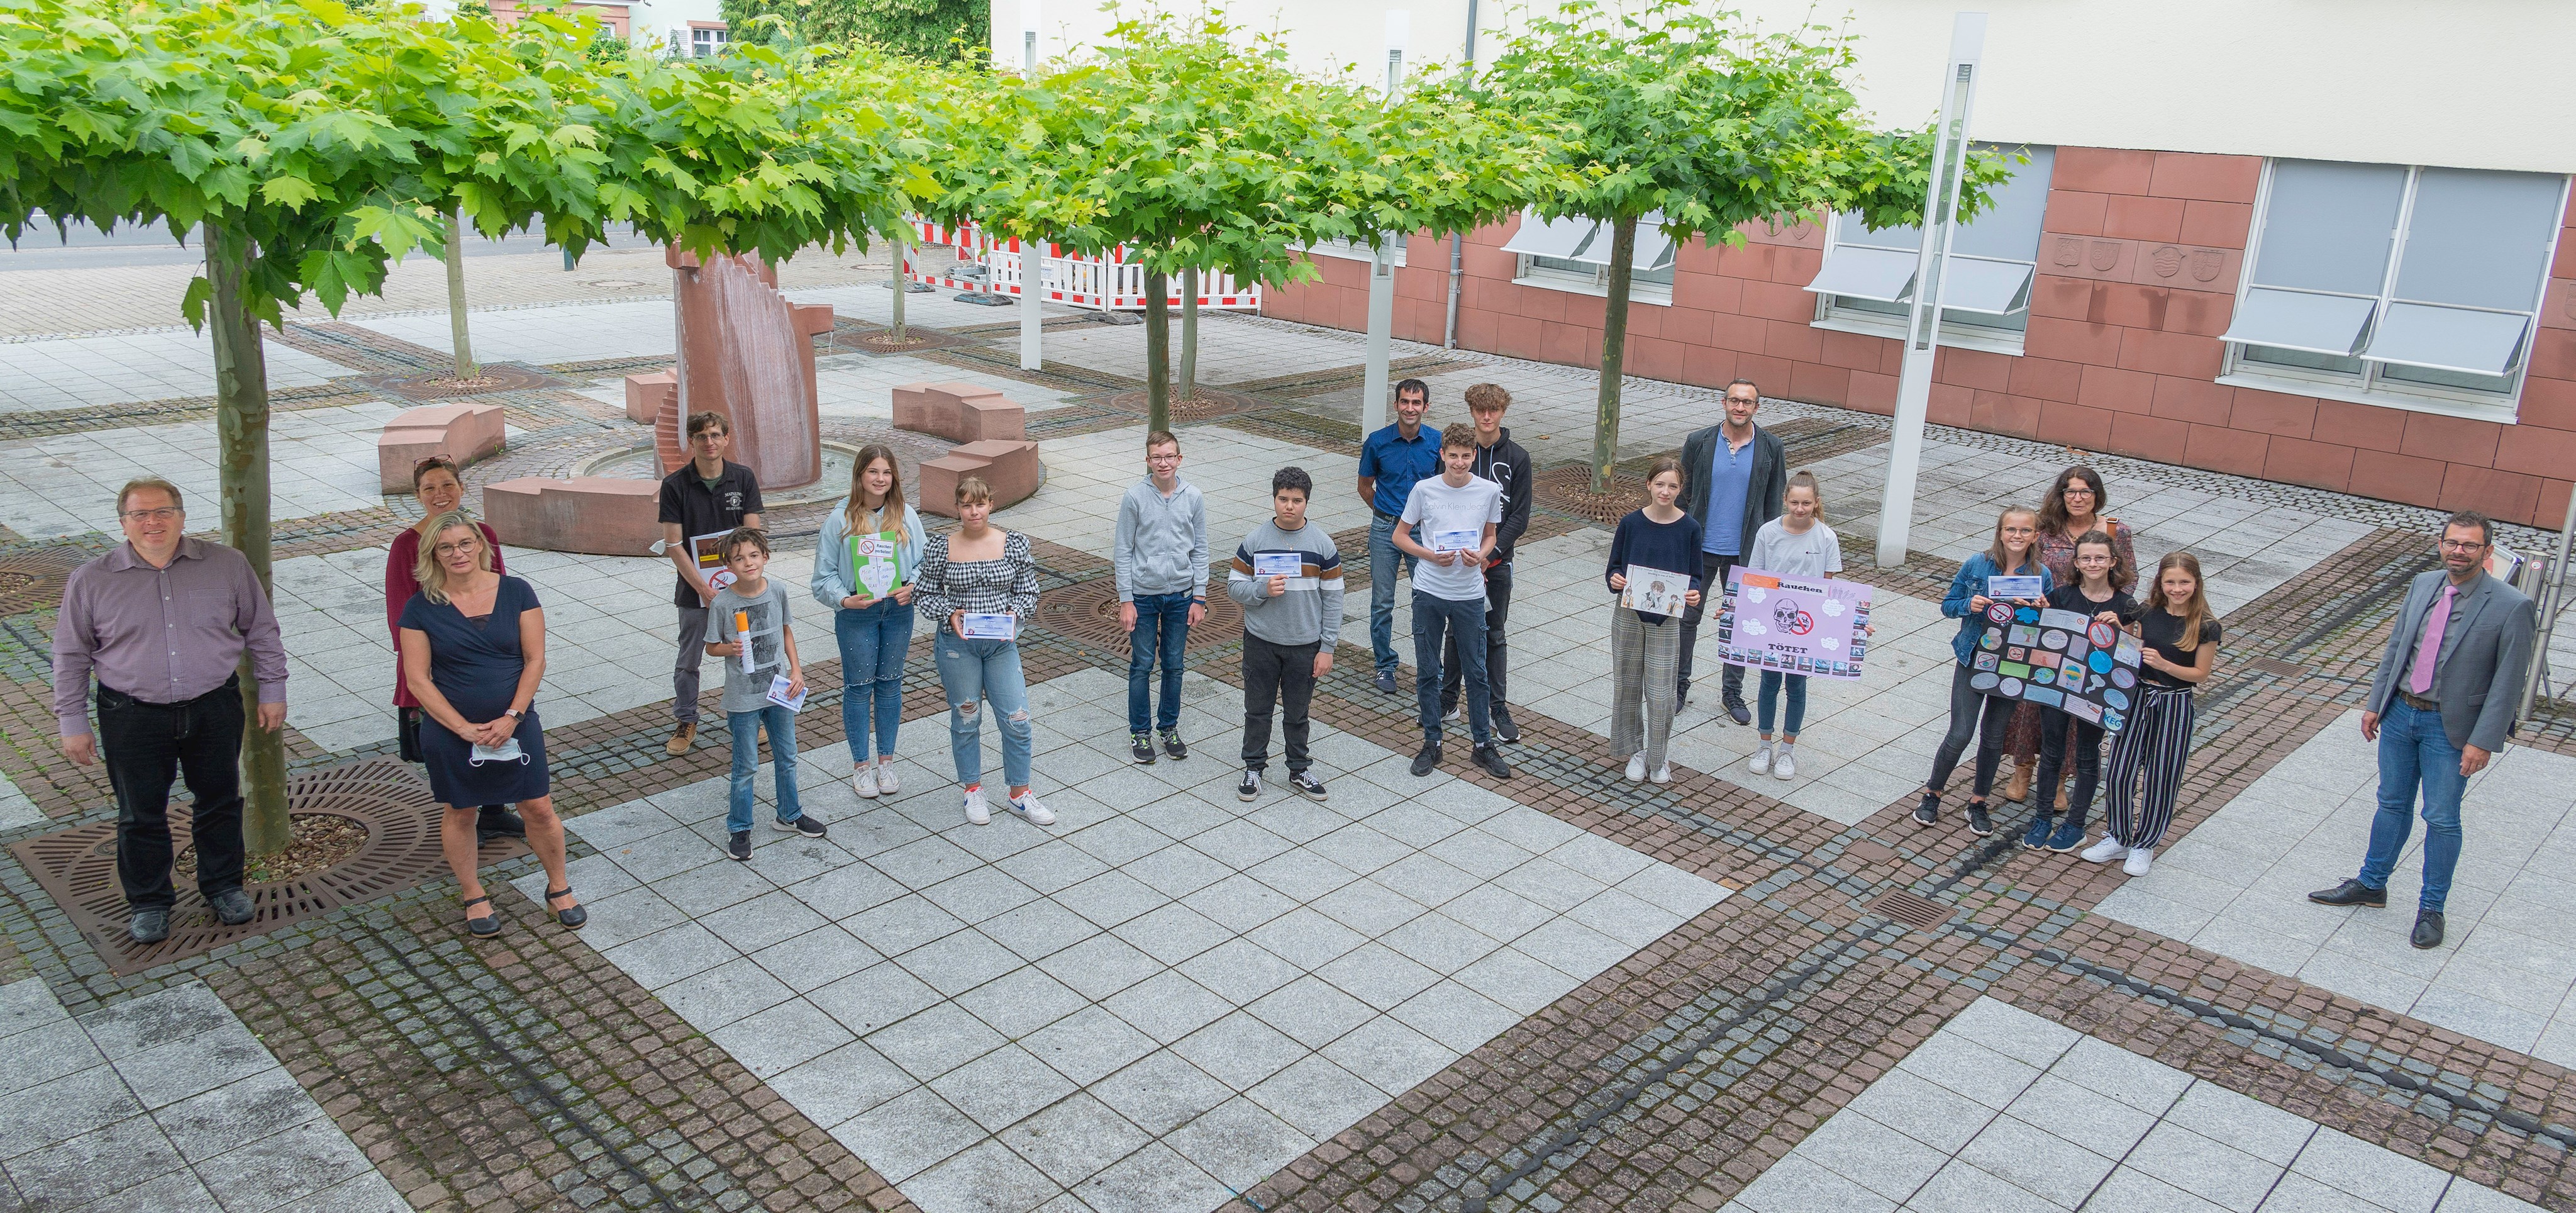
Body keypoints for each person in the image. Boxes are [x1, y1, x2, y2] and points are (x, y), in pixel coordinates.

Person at [53, 479, 289, 944]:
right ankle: (149, 901)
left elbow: (261, 630)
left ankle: (223, 887)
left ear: (182, 516)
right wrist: (72, 720)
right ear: (123, 523)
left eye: (162, 512)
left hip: (214, 705)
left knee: (220, 802)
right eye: (140, 515)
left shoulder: (226, 565)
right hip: (131, 713)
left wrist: (272, 689)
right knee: (140, 813)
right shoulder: (92, 579)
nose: (152, 522)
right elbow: (71, 654)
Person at [2311, 513, 2533, 949]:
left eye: (2470, 545)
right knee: (2391, 803)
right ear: (2440, 544)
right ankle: (2372, 885)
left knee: (2442, 818)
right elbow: (2398, 647)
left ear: (2487, 552)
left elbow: (2509, 681)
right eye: (2452, 542)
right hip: (2399, 715)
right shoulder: (2423, 585)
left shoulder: (2512, 605)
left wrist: (2483, 740)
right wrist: (2376, 704)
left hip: (2450, 730)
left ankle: (2432, 909)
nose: (2459, 551)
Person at [397, 513, 581, 937]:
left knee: (538, 805)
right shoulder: (420, 607)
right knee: (460, 810)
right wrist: (462, 728)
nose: (458, 553)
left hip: (516, 722)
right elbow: (418, 679)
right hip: (450, 731)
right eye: (446, 547)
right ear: (434, 555)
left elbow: (535, 659)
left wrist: (513, 716)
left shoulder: (517, 591)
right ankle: (473, 894)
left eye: (465, 543)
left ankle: (559, 888)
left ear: (481, 544)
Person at [386, 456, 524, 845]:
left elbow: (501, 595)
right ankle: (464, 814)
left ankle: (494, 813)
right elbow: (400, 614)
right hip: (437, 666)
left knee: (498, 733)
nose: (439, 494)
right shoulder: (405, 546)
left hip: (490, 662)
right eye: (429, 488)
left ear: (461, 488)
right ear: (417, 496)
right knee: (451, 744)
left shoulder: (484, 534)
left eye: (446, 485)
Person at [914, 476, 1055, 827]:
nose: (973, 511)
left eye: (980, 504)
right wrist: (950, 612)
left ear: (991, 504)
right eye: (966, 505)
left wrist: (1015, 613)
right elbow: (924, 593)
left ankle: (1019, 793)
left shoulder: (1014, 544)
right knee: (967, 718)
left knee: (1017, 718)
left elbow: (1029, 590)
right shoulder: (940, 548)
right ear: (957, 508)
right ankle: (972, 789)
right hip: (957, 645)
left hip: (1001, 645)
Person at [2082, 552, 2221, 880]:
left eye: (2184, 582)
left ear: (2196, 583)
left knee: (2162, 776)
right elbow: (2128, 648)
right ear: (2160, 582)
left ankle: (2145, 843)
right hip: (2137, 697)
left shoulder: (2206, 626)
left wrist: (2165, 666)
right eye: (2170, 582)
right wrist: (2119, 629)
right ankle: (2118, 836)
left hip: (2174, 703)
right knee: (2119, 772)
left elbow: (2200, 674)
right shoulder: (2144, 612)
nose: (2177, 588)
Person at [2005, 466, 2139, 806]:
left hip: (2089, 630)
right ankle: (2022, 767)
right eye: (2070, 491)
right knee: (2031, 695)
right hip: (2047, 622)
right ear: (2060, 494)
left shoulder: (2115, 530)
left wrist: (2111, 609)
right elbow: (2019, 562)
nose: (2077, 498)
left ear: (2097, 495)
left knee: (2076, 698)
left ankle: (2062, 778)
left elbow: (2129, 577)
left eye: (2085, 492)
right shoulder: (2044, 527)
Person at [1917, 506, 2052, 837]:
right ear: (2000, 532)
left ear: (2035, 535)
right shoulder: (1978, 564)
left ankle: (1978, 801)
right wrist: (1969, 605)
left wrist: (2044, 612)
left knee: (1993, 737)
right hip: (1973, 656)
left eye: (2024, 531)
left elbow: (2046, 630)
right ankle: (1933, 792)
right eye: (2011, 530)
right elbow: (1948, 605)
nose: (2016, 536)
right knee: (1961, 733)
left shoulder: (2041, 574)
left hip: (2012, 663)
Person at [1394, 423, 1511, 780]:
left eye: (1465, 456)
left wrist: (1483, 556)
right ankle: (1432, 741)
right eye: (1453, 456)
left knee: (1476, 672)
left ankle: (1481, 745)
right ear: (1442, 455)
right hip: (1429, 591)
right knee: (1428, 670)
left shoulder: (1489, 491)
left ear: (1474, 456)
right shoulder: (1424, 490)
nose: (1459, 463)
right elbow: (1400, 536)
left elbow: (1490, 536)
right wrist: (1428, 555)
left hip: (1470, 594)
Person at [813, 445, 923, 801]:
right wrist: (845, 599)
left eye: (887, 472)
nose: (880, 479)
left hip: (897, 610)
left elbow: (926, 562)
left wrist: (912, 587)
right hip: (857, 613)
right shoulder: (840, 520)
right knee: (859, 687)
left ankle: (886, 761)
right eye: (873, 472)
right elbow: (823, 577)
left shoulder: (905, 515)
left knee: (890, 684)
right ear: (860, 474)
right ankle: (862, 766)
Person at [1227, 466, 1344, 803]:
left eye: (1297, 500)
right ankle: (1253, 768)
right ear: (1274, 499)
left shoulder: (1322, 545)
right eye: (1283, 499)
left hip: (1305, 645)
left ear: (1307, 502)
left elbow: (1334, 598)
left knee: (1298, 712)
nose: (1289, 506)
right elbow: (1235, 587)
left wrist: (1328, 647)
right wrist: (1262, 589)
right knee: (1257, 709)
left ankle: (1298, 768)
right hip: (1261, 641)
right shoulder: (1255, 541)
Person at [707, 528, 823, 861]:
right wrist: (729, 647)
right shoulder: (724, 603)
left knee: (787, 756)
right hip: (743, 697)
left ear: (765, 557)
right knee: (746, 765)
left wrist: (796, 669)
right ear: (729, 564)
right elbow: (712, 646)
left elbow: (786, 630)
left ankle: (790, 814)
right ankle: (740, 826)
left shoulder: (778, 591)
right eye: (739, 558)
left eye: (754, 556)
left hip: (780, 690)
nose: (748, 563)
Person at [1678, 378, 1785, 722]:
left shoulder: (1772, 446)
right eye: (1735, 401)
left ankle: (1732, 693)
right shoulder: (1699, 441)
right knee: (1686, 619)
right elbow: (1683, 493)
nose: (1740, 408)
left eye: (1748, 403)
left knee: (1743, 624)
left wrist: (1771, 555)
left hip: (1747, 553)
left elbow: (1773, 505)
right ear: (1723, 402)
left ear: (1757, 407)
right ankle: (1678, 686)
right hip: (1701, 548)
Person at [2019, 531, 2135, 852]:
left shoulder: (2126, 604)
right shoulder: (2062, 595)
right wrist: (2038, 612)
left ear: (2113, 562)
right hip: (2057, 686)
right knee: (2052, 751)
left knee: (2087, 754)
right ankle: (2042, 817)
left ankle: (2076, 824)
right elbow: (2040, 636)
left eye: (2100, 558)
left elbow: (2133, 654)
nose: (2093, 563)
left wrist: (2123, 629)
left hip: (2098, 693)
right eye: (2086, 558)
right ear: (2076, 562)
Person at [657, 411, 763, 757]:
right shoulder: (675, 485)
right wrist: (703, 588)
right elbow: (673, 544)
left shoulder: (743, 478)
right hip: (694, 589)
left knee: (747, 649)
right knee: (690, 658)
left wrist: (745, 577)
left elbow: (754, 534)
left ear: (726, 439)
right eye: (701, 436)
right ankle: (686, 719)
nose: (709, 442)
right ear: (692, 441)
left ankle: (749, 711)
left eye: (716, 435)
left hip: (740, 588)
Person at [1440, 384, 1532, 743]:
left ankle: (1498, 708)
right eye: (1480, 410)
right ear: (1472, 412)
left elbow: (1519, 517)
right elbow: (1443, 505)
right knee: (1454, 632)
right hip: (1458, 563)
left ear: (1503, 412)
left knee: (1494, 634)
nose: (1487, 417)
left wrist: (1490, 555)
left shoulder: (1518, 458)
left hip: (1496, 565)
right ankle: (1448, 700)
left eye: (1493, 410)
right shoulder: (1460, 454)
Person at [1604, 457, 1702, 783]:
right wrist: (1616, 579)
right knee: (1628, 685)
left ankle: (1658, 756)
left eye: (1673, 486)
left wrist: (1693, 592)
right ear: (1648, 485)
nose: (1665, 491)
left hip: (1667, 619)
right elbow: (1614, 567)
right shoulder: (1631, 523)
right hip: (1629, 614)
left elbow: (1696, 576)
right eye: (1660, 484)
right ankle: (1634, 750)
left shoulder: (1689, 528)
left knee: (1661, 693)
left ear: (1680, 489)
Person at [1744, 471, 1848, 782]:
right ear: (1785, 500)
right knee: (1768, 682)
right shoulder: (1767, 532)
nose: (1799, 509)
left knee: (1797, 686)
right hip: (1771, 621)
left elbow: (1830, 589)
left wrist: (1851, 624)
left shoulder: (1827, 538)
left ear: (1816, 503)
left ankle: (1788, 748)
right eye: (1794, 503)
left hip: (1807, 626)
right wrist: (1736, 609)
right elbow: (1755, 580)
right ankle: (1764, 744)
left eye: (1806, 504)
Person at [1115, 430, 1209, 764]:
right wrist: (1126, 598)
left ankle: (1168, 727)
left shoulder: (1193, 496)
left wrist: (1199, 597)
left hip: (1181, 596)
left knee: (1174, 664)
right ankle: (1140, 733)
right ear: (1148, 461)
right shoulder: (1134, 497)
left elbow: (1200, 549)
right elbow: (1123, 550)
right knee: (1141, 665)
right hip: (1142, 596)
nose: (1164, 462)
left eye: (1170, 456)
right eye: (1157, 457)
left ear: (1179, 459)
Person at [1356, 378, 1441, 695]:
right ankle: (1385, 666)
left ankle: (1430, 668)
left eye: (1416, 403)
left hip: (1423, 532)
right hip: (1385, 529)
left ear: (1426, 407)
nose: (1410, 408)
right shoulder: (1377, 442)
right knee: (1382, 601)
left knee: (1427, 600)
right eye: (1405, 402)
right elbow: (1365, 486)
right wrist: (1384, 513)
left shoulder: (1437, 442)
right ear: (1396, 405)